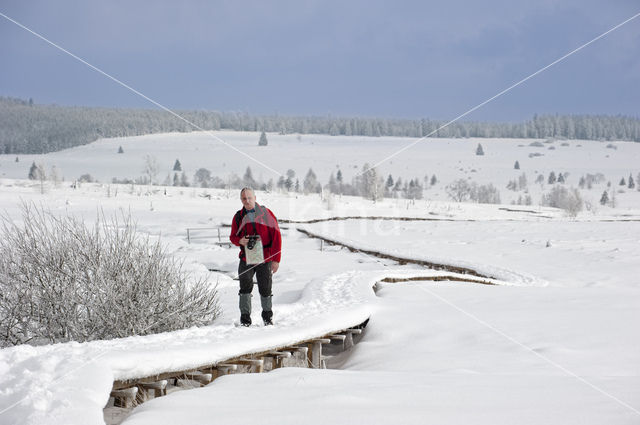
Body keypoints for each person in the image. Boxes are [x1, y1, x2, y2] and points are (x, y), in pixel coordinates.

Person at [229, 187, 282, 326]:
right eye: (244, 198)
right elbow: (233, 236)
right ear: (241, 200)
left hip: (265, 258)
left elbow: (276, 237)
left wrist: (276, 260)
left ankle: (267, 319)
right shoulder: (238, 216)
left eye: (249, 198)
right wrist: (239, 240)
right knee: (244, 288)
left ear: (255, 198)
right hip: (246, 258)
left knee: (265, 288)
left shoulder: (266, 214)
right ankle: (245, 320)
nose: (247, 201)